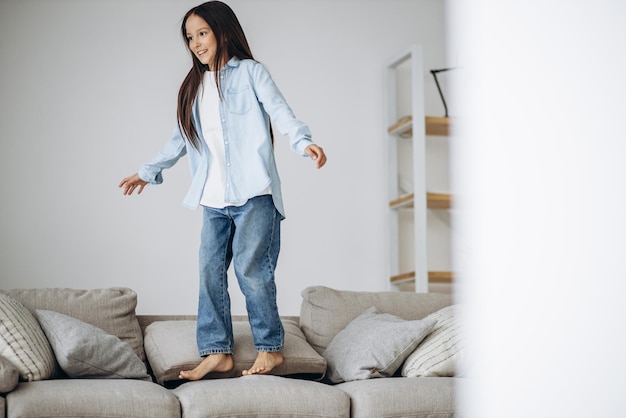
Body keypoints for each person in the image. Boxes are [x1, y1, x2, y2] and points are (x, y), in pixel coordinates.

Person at [119, 0, 326, 380]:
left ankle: (270, 349)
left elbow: (281, 112)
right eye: (189, 37)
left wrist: (303, 142)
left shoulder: (251, 73)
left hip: (254, 194)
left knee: (252, 271)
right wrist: (147, 172)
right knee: (208, 270)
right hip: (213, 198)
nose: (196, 43)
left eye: (202, 33)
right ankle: (218, 351)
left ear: (221, 30)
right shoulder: (193, 87)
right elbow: (180, 138)